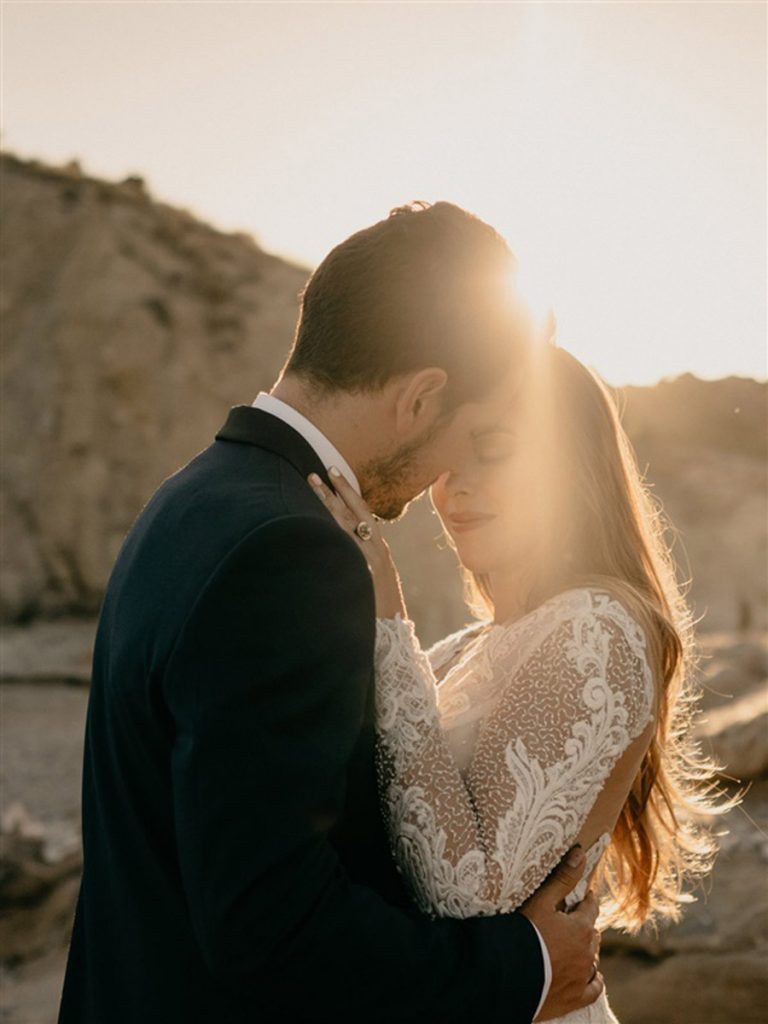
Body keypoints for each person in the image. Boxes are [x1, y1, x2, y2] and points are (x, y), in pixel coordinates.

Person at [58, 202, 601, 1024]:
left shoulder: (190, 500)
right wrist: (520, 966)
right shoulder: (290, 553)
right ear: (421, 399)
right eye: (473, 435)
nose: (450, 476)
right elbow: (271, 926)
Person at [309, 343, 724, 1023]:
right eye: (447, 459)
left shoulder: (598, 627)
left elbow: (469, 897)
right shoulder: (461, 650)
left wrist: (387, 622)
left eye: (494, 450)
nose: (455, 486)